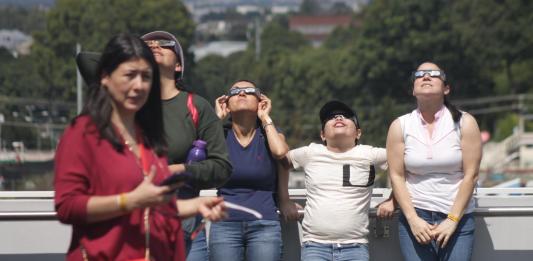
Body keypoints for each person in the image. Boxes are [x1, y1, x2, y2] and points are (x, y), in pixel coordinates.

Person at [55, 34, 225, 261]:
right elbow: (67, 207)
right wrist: (129, 201)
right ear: (105, 76)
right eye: (129, 75)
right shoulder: (83, 133)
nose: (139, 85)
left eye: (146, 77)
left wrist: (194, 205)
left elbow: (153, 208)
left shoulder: (149, 137)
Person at [141, 31, 233, 260]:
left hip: (186, 230)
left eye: (164, 44)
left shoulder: (196, 106)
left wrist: (182, 170)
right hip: (134, 227)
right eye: (146, 45)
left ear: (179, 65)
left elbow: (222, 167)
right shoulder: (127, 106)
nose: (155, 46)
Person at [386, 62, 482, 261]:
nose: (426, 76)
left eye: (434, 74)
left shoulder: (465, 122)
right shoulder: (400, 125)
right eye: (420, 74)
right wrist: (413, 219)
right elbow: (396, 175)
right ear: (413, 90)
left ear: (446, 88)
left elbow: (471, 174)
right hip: (415, 216)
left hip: (458, 217)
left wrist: (452, 220)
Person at [285, 100, 387, 261]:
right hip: (314, 246)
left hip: (356, 246)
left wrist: (393, 201)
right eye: (331, 118)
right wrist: (283, 200)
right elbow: (277, 163)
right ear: (322, 135)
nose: (338, 117)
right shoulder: (310, 152)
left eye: (346, 116)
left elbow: (406, 164)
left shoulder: (370, 154)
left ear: (358, 133)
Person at [210, 80, 299, 261]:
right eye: (235, 92)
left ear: (261, 101)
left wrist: (266, 118)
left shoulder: (269, 133)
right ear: (225, 103)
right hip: (224, 223)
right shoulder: (219, 133)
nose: (242, 93)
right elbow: (196, 154)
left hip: (264, 223)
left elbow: (281, 153)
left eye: (249, 91)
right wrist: (215, 120)